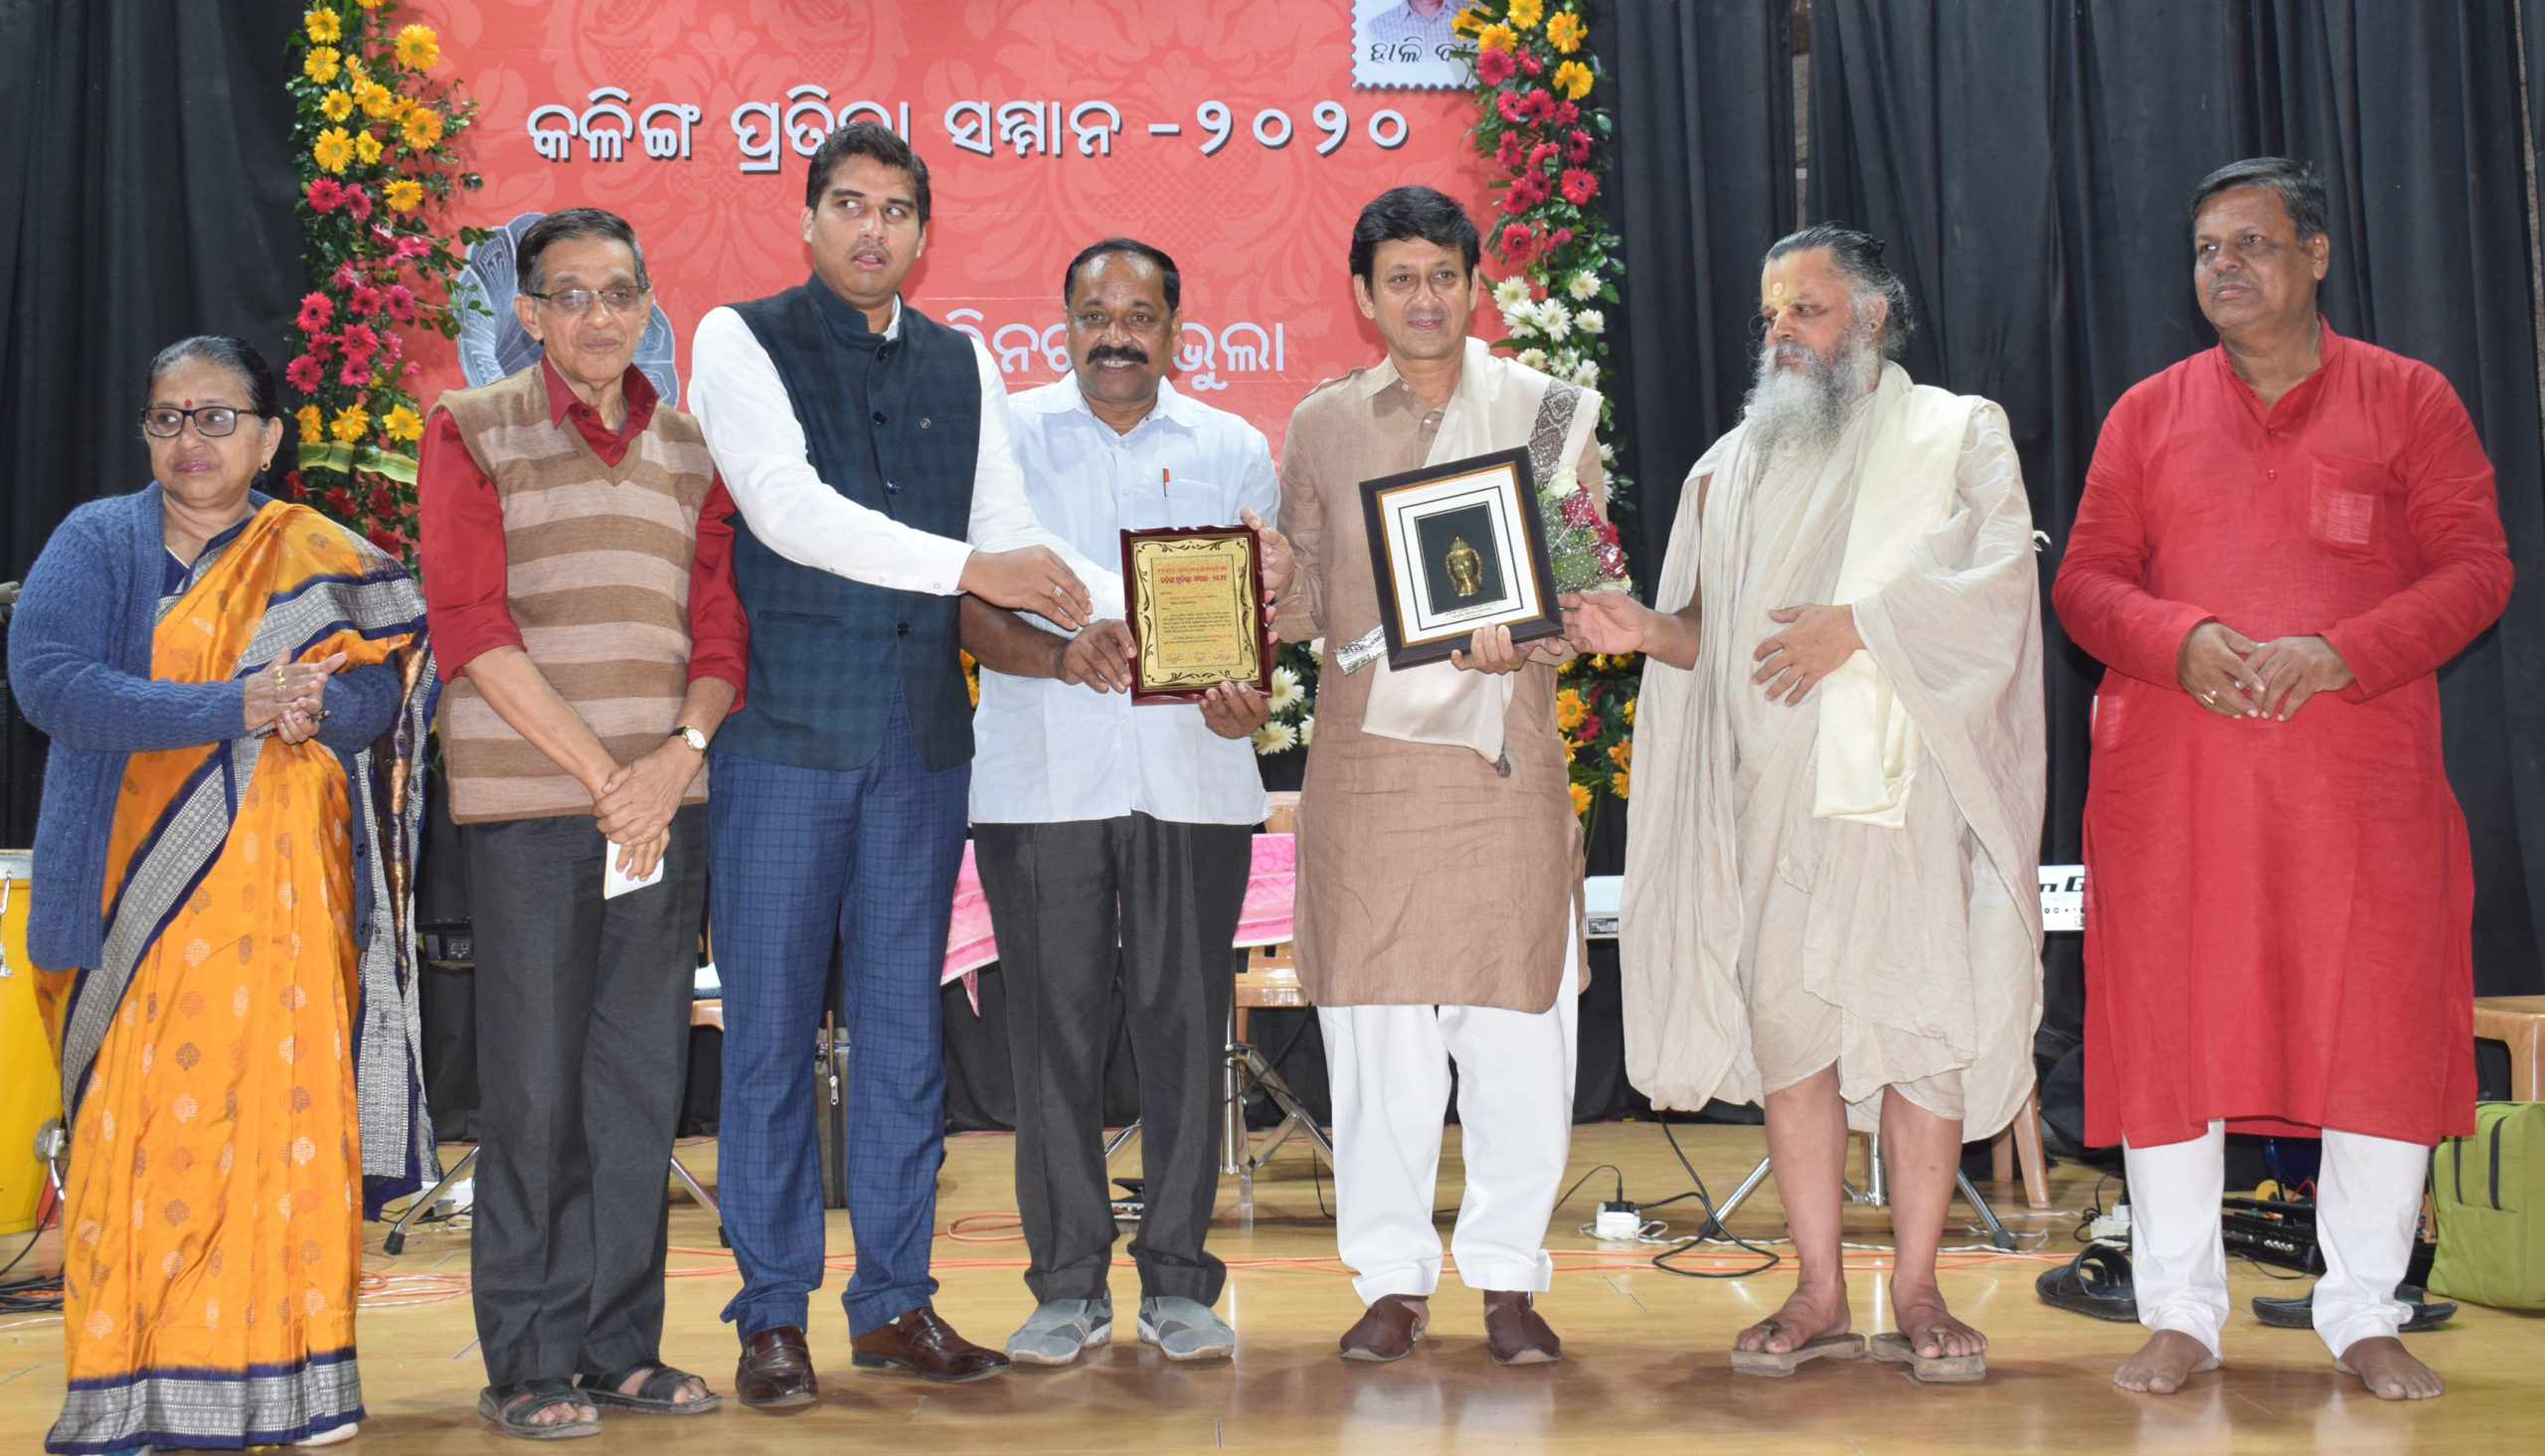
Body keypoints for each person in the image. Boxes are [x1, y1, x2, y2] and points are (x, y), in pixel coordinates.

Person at [2053, 158, 2513, 1402]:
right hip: (2178, 798)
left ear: (2315, 255)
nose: (2226, 267)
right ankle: (2179, 1312)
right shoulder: (2147, 413)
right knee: (2171, 1035)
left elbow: (2477, 568)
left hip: (2355, 795)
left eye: (2252, 243)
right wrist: (2180, 639)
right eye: (2207, 249)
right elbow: (2085, 582)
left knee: (2374, 1034)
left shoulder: (2408, 399)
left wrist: (2341, 651)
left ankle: (2362, 1309)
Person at [685, 120, 1115, 1401]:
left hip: (921, 743)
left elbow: (1005, 528)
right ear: (808, 218)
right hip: (782, 736)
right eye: (849, 205)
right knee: (769, 1037)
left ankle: (892, 1302)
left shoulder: (960, 357)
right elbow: (787, 511)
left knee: (900, 1039)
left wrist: (1150, 605)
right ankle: (771, 1312)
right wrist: (976, 568)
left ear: (924, 235)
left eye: (895, 211)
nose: (871, 229)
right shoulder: (738, 338)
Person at [1581, 226, 2045, 1382]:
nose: (1780, 332)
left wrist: (1864, 627)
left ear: (1872, 317)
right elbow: (1711, 636)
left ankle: (1920, 1284)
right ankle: (1819, 1288)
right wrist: (1647, 630)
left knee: (1919, 1036)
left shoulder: (1955, 434)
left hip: (1905, 801)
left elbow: (1995, 587)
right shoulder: (1729, 467)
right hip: (1775, 798)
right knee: (1793, 1044)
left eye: (1806, 309)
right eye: (1770, 315)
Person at [12, 337, 436, 1453]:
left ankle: (290, 1390)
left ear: (268, 435)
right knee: (136, 1147)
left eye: (214, 417)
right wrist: (236, 704)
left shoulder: (316, 551)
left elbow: (382, 695)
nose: (188, 439)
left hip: (285, 914)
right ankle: (131, 1396)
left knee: (279, 1134)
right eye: (167, 417)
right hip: (127, 910)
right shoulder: (98, 540)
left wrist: (319, 707)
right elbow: (52, 684)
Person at [415, 207, 746, 1437]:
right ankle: (527, 1359)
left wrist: (674, 761)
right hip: (535, 814)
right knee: (535, 1089)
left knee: (637, 1084)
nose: (598, 317)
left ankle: (617, 1349)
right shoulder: (471, 427)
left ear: (647, 304)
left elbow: (721, 634)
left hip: (661, 811)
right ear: (529, 313)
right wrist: (610, 777)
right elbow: (470, 625)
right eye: (570, 294)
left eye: (618, 293)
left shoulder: (692, 447)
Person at [1273, 186, 1599, 1367]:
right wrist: (1263, 578)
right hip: (1367, 774)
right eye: (1400, 278)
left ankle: (1508, 1278)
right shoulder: (1322, 425)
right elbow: (1307, 603)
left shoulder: (1548, 414)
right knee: (1376, 1044)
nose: (1424, 299)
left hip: (1501, 767)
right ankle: (1393, 1281)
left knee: (1518, 1033)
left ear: (1475, 287)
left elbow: (1580, 587)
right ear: (1364, 296)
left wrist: (1536, 625)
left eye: (1443, 276)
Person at [958, 238, 1287, 1367]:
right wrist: (1057, 656)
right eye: (1095, 313)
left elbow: (1256, 623)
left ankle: (1181, 1282)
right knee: (1049, 1036)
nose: (1116, 335)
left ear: (1174, 330)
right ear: (1062, 321)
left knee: (1185, 1031)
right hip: (1040, 779)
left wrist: (1248, 700)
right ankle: (1065, 1286)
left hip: (1193, 778)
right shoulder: (1001, 438)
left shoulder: (1232, 447)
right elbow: (963, 603)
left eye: (1139, 315)